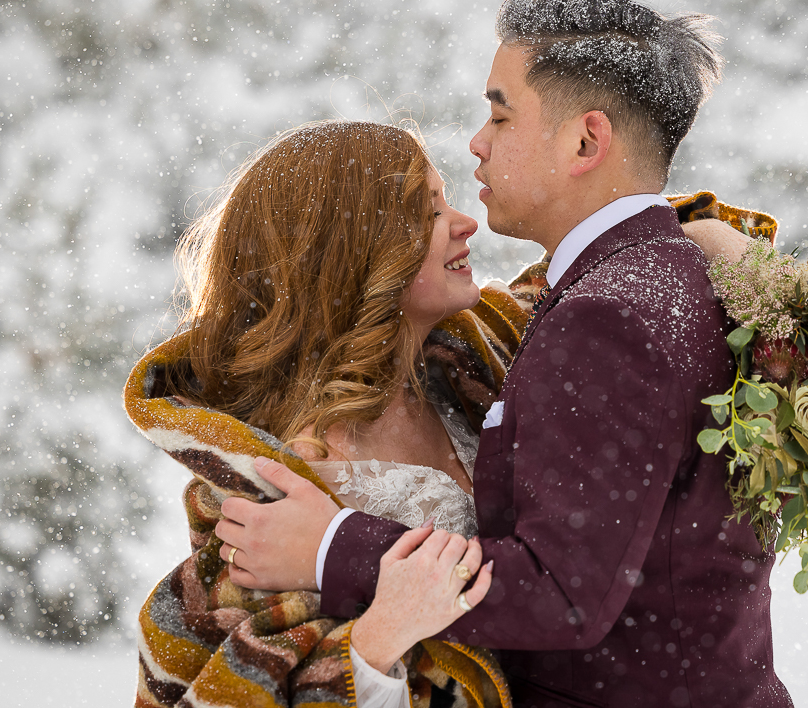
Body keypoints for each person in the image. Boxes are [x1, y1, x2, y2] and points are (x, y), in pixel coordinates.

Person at [217, 0, 794, 708]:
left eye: (500, 113)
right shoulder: (663, 275)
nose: (477, 143)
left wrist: (334, 546)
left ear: (586, 140)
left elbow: (562, 591)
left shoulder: (607, 313)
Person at [127, 120, 516, 708]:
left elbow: (598, 269)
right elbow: (242, 687)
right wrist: (380, 638)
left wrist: (701, 233)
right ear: (354, 252)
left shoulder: (468, 367)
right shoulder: (285, 478)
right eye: (429, 212)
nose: (466, 222)